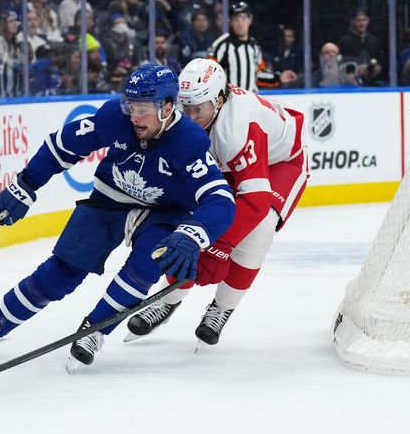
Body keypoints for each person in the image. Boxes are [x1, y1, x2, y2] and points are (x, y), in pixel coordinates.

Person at [0, 63, 235, 373]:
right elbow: (63, 145)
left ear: (168, 107)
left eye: (143, 109)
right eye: (131, 105)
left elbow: (220, 199)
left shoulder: (189, 140)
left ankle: (95, 330)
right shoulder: (116, 117)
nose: (134, 116)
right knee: (60, 273)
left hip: (164, 211)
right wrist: (27, 183)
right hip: (109, 199)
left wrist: (194, 233)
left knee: (146, 262)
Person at [126, 58, 308, 346]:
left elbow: (256, 200)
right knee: (195, 223)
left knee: (258, 232)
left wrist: (220, 245)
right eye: (185, 108)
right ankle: (168, 300)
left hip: (280, 163)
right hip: (229, 162)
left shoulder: (237, 128)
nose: (191, 116)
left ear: (220, 100)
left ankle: (221, 308)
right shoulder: (188, 115)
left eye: (198, 109)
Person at [207, 1, 264, 92]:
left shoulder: (254, 46)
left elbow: (259, 73)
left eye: (244, 19)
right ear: (230, 22)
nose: (240, 24)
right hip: (229, 101)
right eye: (236, 19)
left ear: (250, 20)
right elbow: (208, 75)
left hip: (251, 100)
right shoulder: (221, 45)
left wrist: (278, 78)